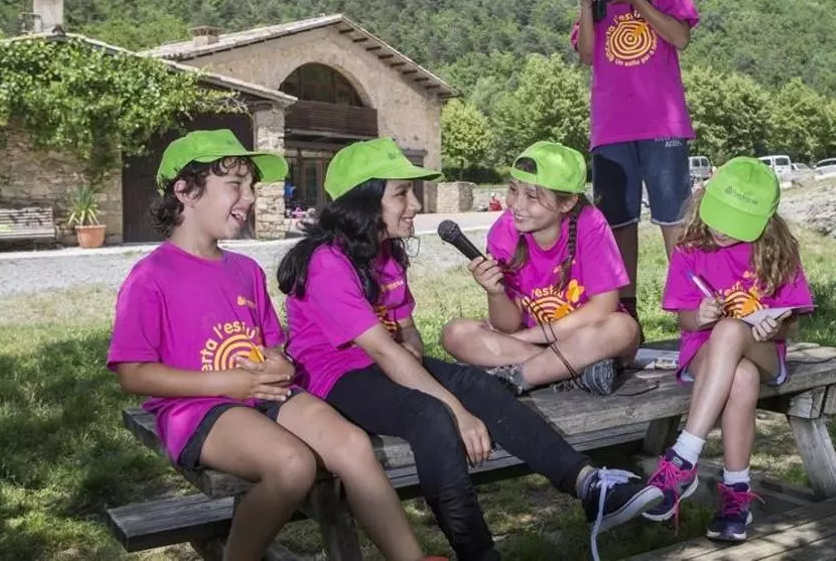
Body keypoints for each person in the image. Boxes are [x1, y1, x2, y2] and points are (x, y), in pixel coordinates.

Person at [278, 137, 663, 561]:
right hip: (336, 377)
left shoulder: (385, 254)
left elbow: (406, 333)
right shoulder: (326, 262)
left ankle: (589, 484)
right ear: (362, 202)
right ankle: (478, 552)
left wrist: (416, 350)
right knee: (432, 417)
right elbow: (385, 353)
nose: (415, 205)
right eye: (402, 194)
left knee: (479, 384)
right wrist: (457, 411)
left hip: (387, 362)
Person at [106, 129, 436, 561]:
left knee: (353, 445)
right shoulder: (151, 277)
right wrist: (230, 383)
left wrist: (281, 364)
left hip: (266, 394)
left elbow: (275, 347)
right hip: (197, 408)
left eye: (251, 186)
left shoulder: (246, 270)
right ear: (185, 191)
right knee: (293, 464)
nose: (248, 197)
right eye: (235, 185)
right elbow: (132, 374)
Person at [640, 157, 815, 542]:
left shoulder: (779, 250)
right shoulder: (690, 247)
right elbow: (685, 322)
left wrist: (775, 326)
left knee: (733, 331)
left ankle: (683, 457)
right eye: (718, 216)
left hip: (764, 351)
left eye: (735, 224)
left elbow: (794, 324)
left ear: (763, 222)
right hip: (703, 355)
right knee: (742, 376)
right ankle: (737, 493)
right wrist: (700, 316)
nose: (720, 230)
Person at [571, 0, 701, 329]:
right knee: (617, 225)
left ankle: (692, 314)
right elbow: (588, 55)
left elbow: (680, 37)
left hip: (662, 124)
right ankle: (626, 322)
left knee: (675, 220)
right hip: (611, 128)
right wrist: (587, 3)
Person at [441, 141, 639, 396]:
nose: (516, 204)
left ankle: (520, 376)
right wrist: (495, 293)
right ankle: (567, 371)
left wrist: (527, 338)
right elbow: (507, 326)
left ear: (567, 203)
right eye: (513, 190)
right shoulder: (503, 232)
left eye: (532, 196)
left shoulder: (590, 222)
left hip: (587, 340)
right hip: (537, 344)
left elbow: (603, 308)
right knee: (455, 333)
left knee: (623, 327)